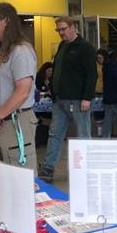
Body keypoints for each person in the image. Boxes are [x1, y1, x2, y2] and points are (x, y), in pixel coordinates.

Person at [39, 16, 97, 183]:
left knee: (83, 135)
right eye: (58, 30)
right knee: (55, 134)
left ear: (73, 27)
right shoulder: (63, 46)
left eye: (63, 29)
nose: (61, 33)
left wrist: (87, 98)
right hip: (60, 101)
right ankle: (48, 168)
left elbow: (91, 75)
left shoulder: (84, 47)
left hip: (78, 101)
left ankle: (86, 170)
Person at [0, 2, 38, 169]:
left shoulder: (21, 51)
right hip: (0, 124)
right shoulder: (3, 51)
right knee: (3, 177)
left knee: (19, 177)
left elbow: (23, 91)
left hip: (14, 123)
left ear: (5, 21)